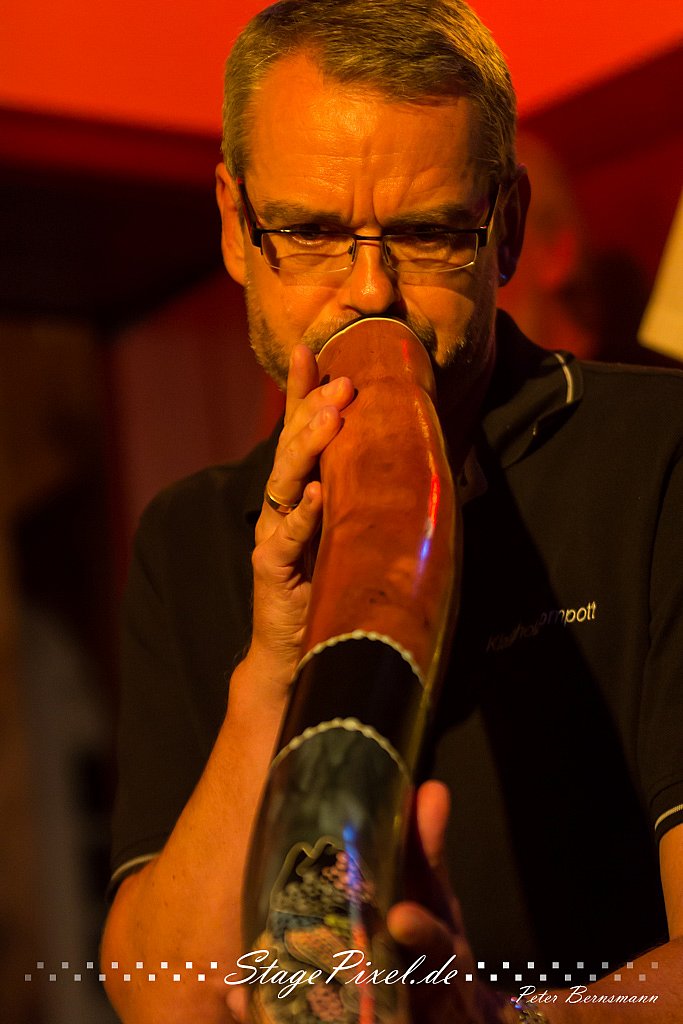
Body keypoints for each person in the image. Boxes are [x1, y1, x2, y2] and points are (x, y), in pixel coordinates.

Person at [101, 1, 683, 1021]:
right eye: (311, 232)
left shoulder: (657, 450)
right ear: (236, 225)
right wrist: (273, 662)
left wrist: (504, 1021)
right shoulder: (190, 534)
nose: (370, 291)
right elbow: (163, 1001)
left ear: (505, 228)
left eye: (425, 234)